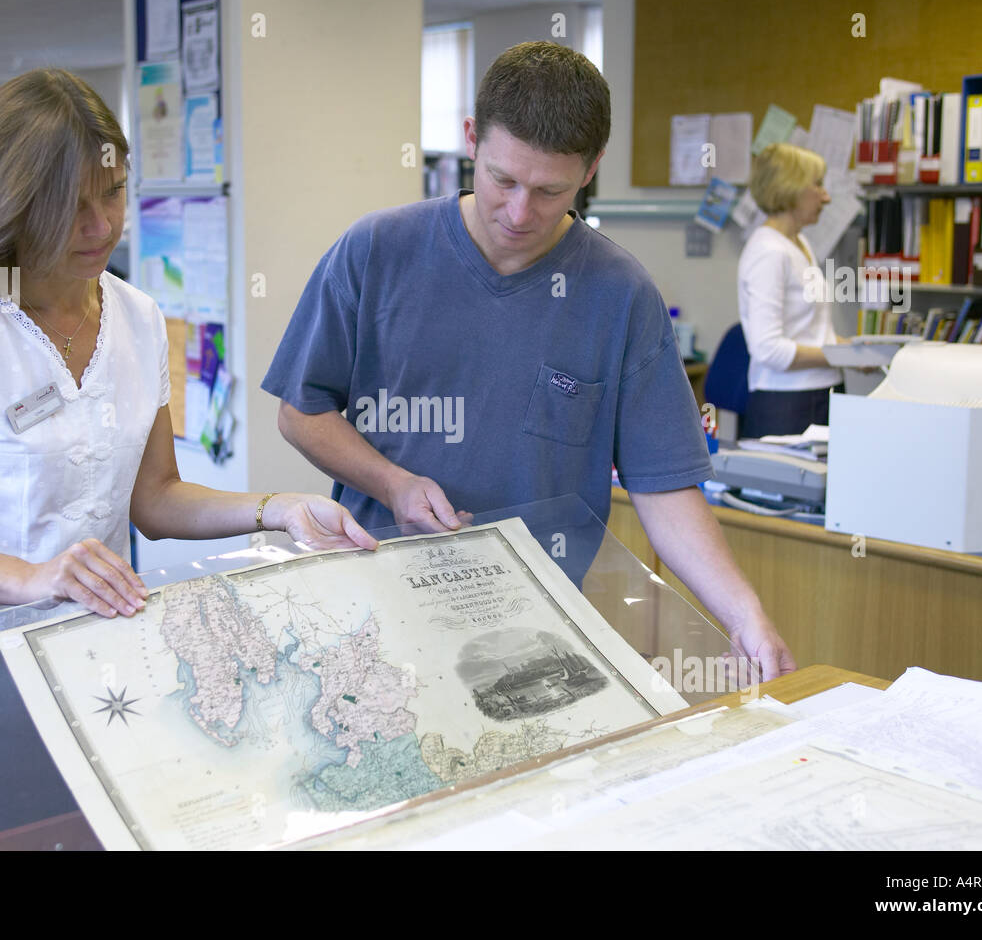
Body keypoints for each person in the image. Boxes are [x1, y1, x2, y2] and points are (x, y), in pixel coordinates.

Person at [0, 69, 374, 849]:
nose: (101, 226)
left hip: (100, 654)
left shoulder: (134, 314)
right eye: (72, 206)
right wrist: (33, 577)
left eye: (114, 194)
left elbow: (155, 497)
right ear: (13, 203)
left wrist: (278, 508)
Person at [262, 42, 795, 683]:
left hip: (536, 629)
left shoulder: (620, 293)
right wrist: (393, 484)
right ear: (471, 142)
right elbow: (301, 410)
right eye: (503, 180)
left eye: (550, 191)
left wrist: (743, 614)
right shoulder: (377, 251)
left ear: (592, 169)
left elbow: (664, 485)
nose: (520, 213)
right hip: (379, 608)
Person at [737, 143, 845, 438]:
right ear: (790, 188)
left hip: (822, 392)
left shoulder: (800, 244)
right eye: (818, 185)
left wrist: (855, 351)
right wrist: (839, 355)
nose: (826, 197)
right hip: (787, 404)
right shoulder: (768, 252)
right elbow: (768, 348)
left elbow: (811, 332)